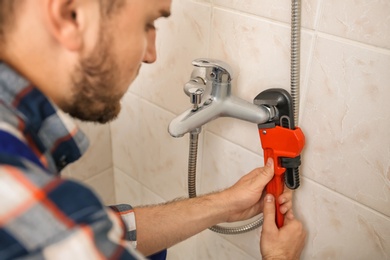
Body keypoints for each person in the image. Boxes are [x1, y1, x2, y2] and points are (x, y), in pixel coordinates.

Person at [0, 0, 306, 259]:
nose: (151, 54)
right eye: (148, 24)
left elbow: (88, 230)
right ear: (71, 17)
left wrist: (224, 205)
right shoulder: (15, 188)